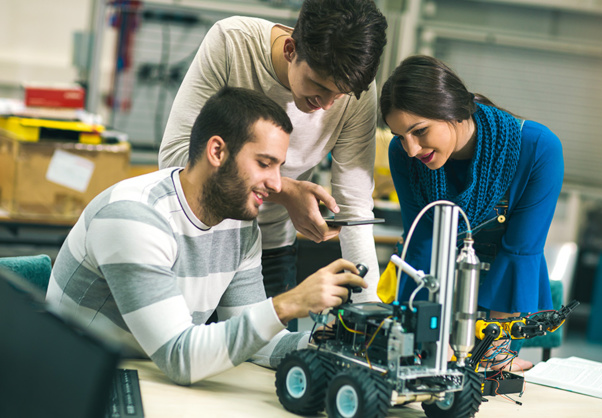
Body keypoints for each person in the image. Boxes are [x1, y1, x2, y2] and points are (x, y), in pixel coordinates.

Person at [45, 87, 367, 385]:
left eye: (279, 167)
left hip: (144, 376)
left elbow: (257, 342)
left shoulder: (239, 224)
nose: (278, 184)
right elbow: (180, 357)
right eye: (265, 164)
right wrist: (291, 303)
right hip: (72, 382)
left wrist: (326, 340)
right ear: (217, 152)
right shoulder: (134, 217)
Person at [159, 0, 388, 303]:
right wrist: (286, 191)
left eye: (340, 94)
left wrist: (367, 307)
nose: (327, 104)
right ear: (290, 49)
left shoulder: (357, 88)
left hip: (271, 249)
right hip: (198, 240)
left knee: (275, 350)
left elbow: (355, 207)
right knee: (195, 348)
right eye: (318, 85)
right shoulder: (233, 44)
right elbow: (176, 157)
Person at [379, 56, 564, 370]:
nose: (410, 149)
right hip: (432, 293)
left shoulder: (537, 149)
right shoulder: (403, 155)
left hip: (498, 309)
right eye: (400, 136)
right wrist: (416, 335)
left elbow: (519, 251)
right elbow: (421, 241)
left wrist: (495, 349)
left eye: (419, 131)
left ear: (452, 110)